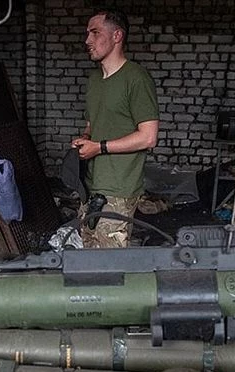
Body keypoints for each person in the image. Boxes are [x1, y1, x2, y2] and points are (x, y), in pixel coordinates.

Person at [71, 8, 159, 248]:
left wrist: (98, 147)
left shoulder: (136, 79)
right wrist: (85, 138)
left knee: (108, 262)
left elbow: (148, 137)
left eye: (95, 33)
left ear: (117, 36)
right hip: (90, 185)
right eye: (87, 33)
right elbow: (92, 123)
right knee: (86, 254)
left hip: (119, 189)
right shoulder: (94, 80)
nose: (87, 40)